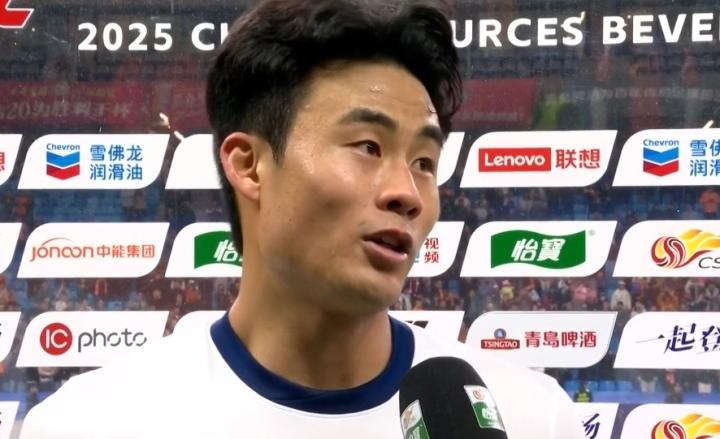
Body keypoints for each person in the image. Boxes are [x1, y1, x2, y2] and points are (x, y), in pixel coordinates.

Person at [21, 1, 584, 438]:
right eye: (368, 146)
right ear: (250, 165)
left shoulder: (530, 417)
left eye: (424, 162)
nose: (407, 194)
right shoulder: (92, 423)